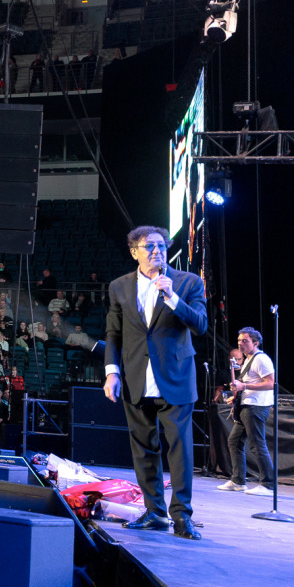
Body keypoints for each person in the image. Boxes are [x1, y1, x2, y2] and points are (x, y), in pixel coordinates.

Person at [102, 226, 209, 541]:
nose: (156, 251)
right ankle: (154, 513)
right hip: (136, 378)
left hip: (175, 379)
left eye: (161, 246)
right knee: (144, 449)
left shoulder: (188, 282)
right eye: (148, 246)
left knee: (180, 450)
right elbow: (113, 333)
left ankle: (182, 517)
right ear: (134, 251)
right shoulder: (119, 287)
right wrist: (112, 372)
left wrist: (172, 298)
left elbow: (200, 324)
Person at [221, 326, 276, 496]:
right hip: (247, 405)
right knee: (234, 441)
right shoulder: (248, 359)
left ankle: (268, 484)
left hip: (256, 407)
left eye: (245, 341)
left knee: (257, 444)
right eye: (239, 341)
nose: (240, 344)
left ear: (255, 343)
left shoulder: (261, 359)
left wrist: (243, 385)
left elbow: (270, 383)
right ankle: (238, 481)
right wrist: (237, 394)